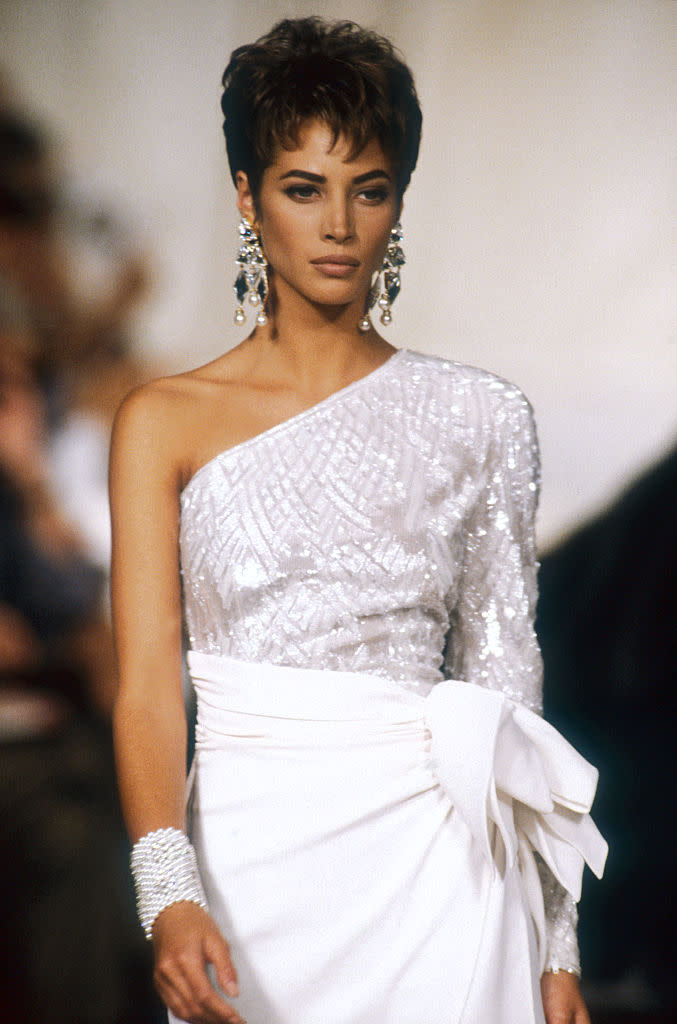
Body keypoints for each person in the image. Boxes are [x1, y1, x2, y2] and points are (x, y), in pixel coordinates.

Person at [110, 18, 606, 1024]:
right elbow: (147, 688)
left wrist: (556, 946)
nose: (337, 223)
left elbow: (507, 681)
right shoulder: (162, 423)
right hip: (249, 871)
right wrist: (168, 893)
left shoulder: (481, 417)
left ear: (395, 202)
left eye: (367, 187)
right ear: (248, 198)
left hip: (448, 871)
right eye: (303, 187)